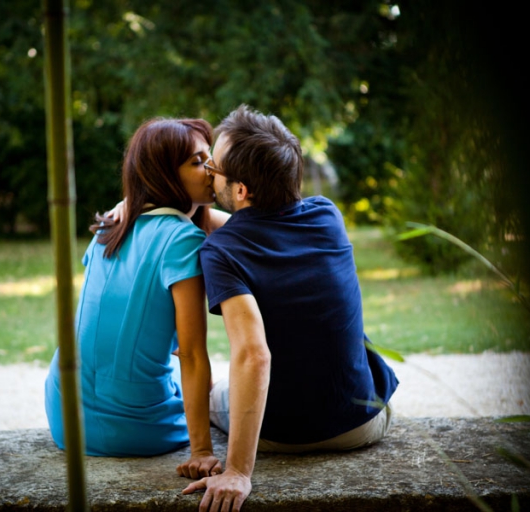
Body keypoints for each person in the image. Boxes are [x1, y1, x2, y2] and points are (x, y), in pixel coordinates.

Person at [182, 105, 399, 510]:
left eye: (213, 165)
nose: (207, 170)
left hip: (278, 435)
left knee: (212, 395)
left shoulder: (221, 252)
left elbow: (253, 355)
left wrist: (238, 472)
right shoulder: (327, 215)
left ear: (241, 191)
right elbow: (256, 234)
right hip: (362, 424)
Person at [44, 117, 223, 478]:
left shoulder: (112, 224)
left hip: (66, 416)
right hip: (135, 429)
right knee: (218, 391)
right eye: (197, 162)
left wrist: (132, 196)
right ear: (163, 175)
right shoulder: (182, 241)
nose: (212, 170)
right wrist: (201, 450)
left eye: (210, 157)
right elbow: (190, 353)